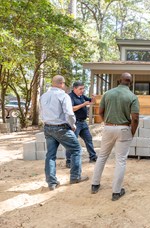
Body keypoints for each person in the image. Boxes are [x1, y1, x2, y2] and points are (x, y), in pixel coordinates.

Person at [91, 72, 140, 201]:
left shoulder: (108, 93)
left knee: (102, 156)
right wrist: (132, 132)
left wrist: (107, 121)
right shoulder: (132, 96)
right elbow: (135, 118)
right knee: (121, 160)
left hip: (108, 127)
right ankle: (116, 192)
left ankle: (95, 184)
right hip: (124, 128)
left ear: (119, 80)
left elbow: (100, 111)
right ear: (131, 82)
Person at [40, 75, 89, 191]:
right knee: (76, 150)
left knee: (50, 155)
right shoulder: (63, 95)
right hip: (61, 128)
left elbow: (41, 112)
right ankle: (75, 177)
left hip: (48, 127)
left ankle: (51, 183)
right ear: (62, 83)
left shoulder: (43, 96)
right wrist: (73, 125)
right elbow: (69, 113)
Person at [65, 81, 97, 168]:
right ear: (74, 88)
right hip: (74, 123)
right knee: (71, 141)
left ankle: (93, 157)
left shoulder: (82, 96)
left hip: (83, 122)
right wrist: (83, 104)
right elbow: (71, 109)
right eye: (80, 89)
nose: (82, 90)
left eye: (83, 88)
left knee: (88, 139)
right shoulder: (70, 97)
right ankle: (69, 161)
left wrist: (93, 98)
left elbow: (92, 102)